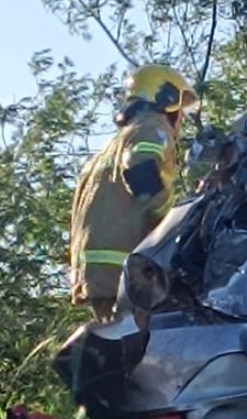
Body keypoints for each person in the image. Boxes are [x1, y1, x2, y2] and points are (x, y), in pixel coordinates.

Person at [69, 63, 198, 322]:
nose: (181, 119)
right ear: (167, 99)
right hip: (129, 272)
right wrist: (173, 222)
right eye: (180, 109)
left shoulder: (110, 147)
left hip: (96, 274)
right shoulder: (153, 126)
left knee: (122, 351)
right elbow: (141, 167)